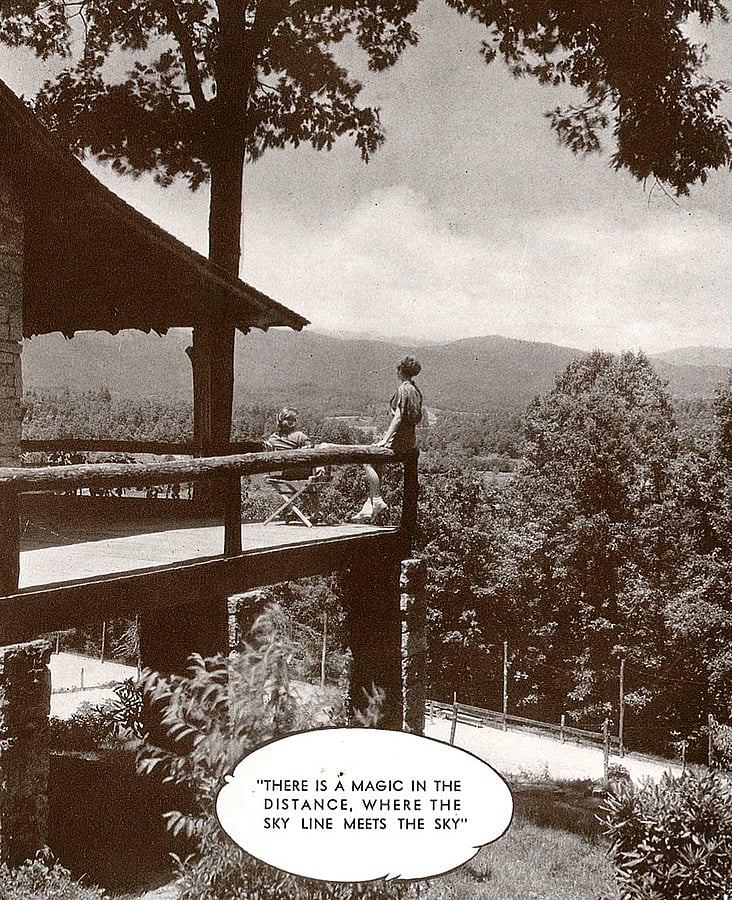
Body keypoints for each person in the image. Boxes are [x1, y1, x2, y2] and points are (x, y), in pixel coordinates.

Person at [351, 356, 423, 523]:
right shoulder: (415, 390)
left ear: (400, 371)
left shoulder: (403, 389)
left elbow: (398, 418)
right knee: (377, 465)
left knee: (368, 460)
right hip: (409, 440)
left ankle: (376, 501)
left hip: (398, 441)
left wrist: (385, 440)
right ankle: (367, 507)